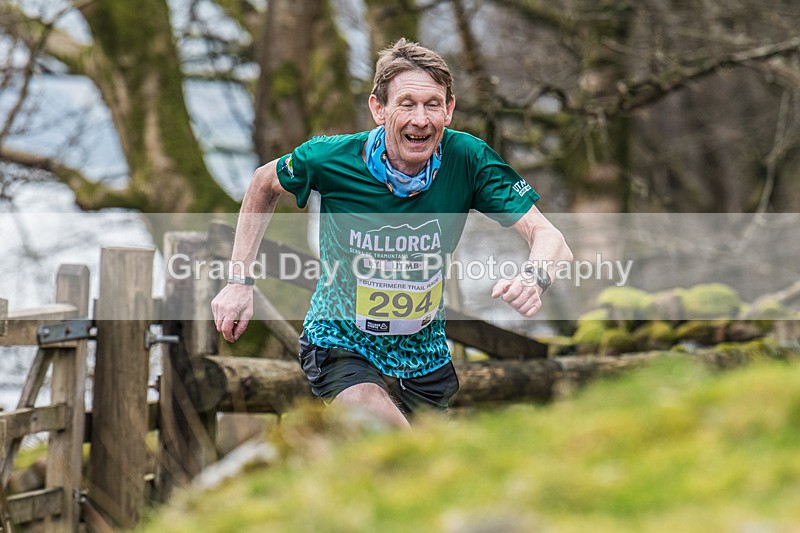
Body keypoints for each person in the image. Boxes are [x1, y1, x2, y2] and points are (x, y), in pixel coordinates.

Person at [211, 39, 573, 428]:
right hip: (340, 344)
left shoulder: (468, 159)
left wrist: (534, 276)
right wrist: (239, 281)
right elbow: (263, 183)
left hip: (424, 356)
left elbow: (551, 238)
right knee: (394, 440)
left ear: (449, 110)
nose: (421, 119)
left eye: (432, 104)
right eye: (406, 103)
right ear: (378, 108)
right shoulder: (330, 158)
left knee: (404, 476)